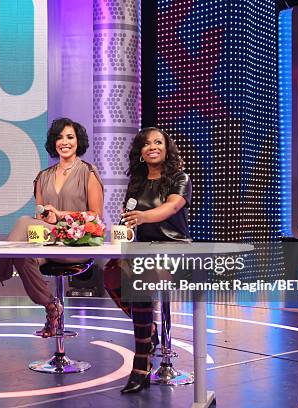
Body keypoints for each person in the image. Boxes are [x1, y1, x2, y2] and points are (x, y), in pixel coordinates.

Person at [0, 118, 104, 337]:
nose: (64, 142)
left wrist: (61, 215)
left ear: (79, 141)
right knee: (22, 253)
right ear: (53, 142)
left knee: (22, 222)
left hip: (75, 242)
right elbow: (38, 216)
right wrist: (47, 218)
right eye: (59, 137)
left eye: (70, 137)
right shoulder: (43, 177)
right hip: (49, 240)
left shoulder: (88, 173)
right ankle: (51, 307)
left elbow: (96, 217)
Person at [103, 127, 192, 393]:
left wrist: (142, 216)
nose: (152, 146)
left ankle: (141, 361)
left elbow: (171, 207)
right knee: (110, 274)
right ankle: (149, 330)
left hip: (174, 248)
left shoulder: (180, 177)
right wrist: (124, 231)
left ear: (166, 148)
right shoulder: (137, 182)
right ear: (140, 152)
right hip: (143, 248)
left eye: (158, 142)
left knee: (139, 279)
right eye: (146, 143)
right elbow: (128, 219)